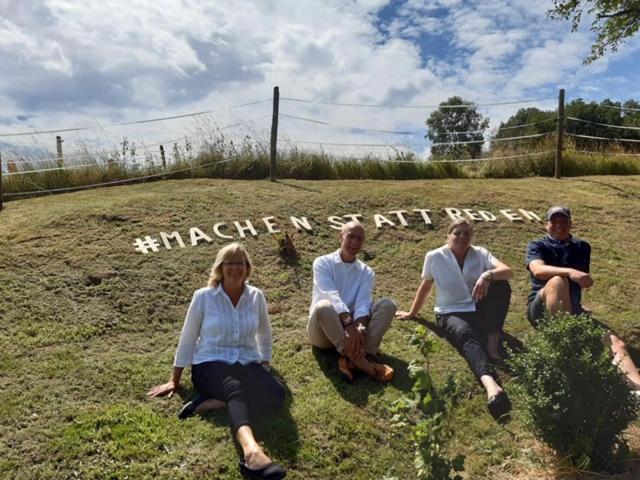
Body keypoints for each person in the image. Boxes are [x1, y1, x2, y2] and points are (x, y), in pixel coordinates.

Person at [148, 242, 287, 480]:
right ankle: (252, 453)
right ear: (220, 267)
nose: (235, 268)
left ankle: (213, 403)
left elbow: (264, 334)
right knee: (236, 391)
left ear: (247, 267)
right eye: (230, 263)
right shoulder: (203, 297)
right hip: (210, 363)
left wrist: (264, 365)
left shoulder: (256, 297)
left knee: (276, 393)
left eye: (240, 263)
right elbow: (188, 337)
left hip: (245, 361)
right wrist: (175, 379)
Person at [396, 218, 513, 422]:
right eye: (457, 233)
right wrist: (412, 313)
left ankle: (492, 341)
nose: (461, 237)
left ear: (471, 238)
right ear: (448, 235)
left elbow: (508, 271)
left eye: (466, 234)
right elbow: (426, 286)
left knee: (501, 284)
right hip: (450, 312)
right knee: (465, 336)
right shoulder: (434, 257)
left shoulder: (480, 253)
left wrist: (487, 275)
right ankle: (491, 386)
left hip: (478, 308)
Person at [526, 205, 640, 392]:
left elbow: (579, 283)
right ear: (547, 225)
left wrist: (577, 305)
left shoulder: (582, 247)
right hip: (540, 309)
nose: (559, 225)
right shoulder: (537, 245)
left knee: (616, 343)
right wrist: (570, 272)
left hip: (573, 311)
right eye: (554, 221)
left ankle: (636, 391)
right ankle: (562, 342)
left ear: (570, 224)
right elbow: (538, 270)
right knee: (557, 280)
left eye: (563, 221)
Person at [308, 221, 396, 382]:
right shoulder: (322, 263)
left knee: (388, 305)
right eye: (351, 236)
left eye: (360, 239)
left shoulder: (366, 272)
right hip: (324, 331)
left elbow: (364, 302)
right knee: (323, 307)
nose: (355, 242)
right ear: (340, 237)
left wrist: (361, 326)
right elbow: (332, 295)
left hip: (352, 329)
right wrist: (349, 324)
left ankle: (360, 354)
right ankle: (361, 361)